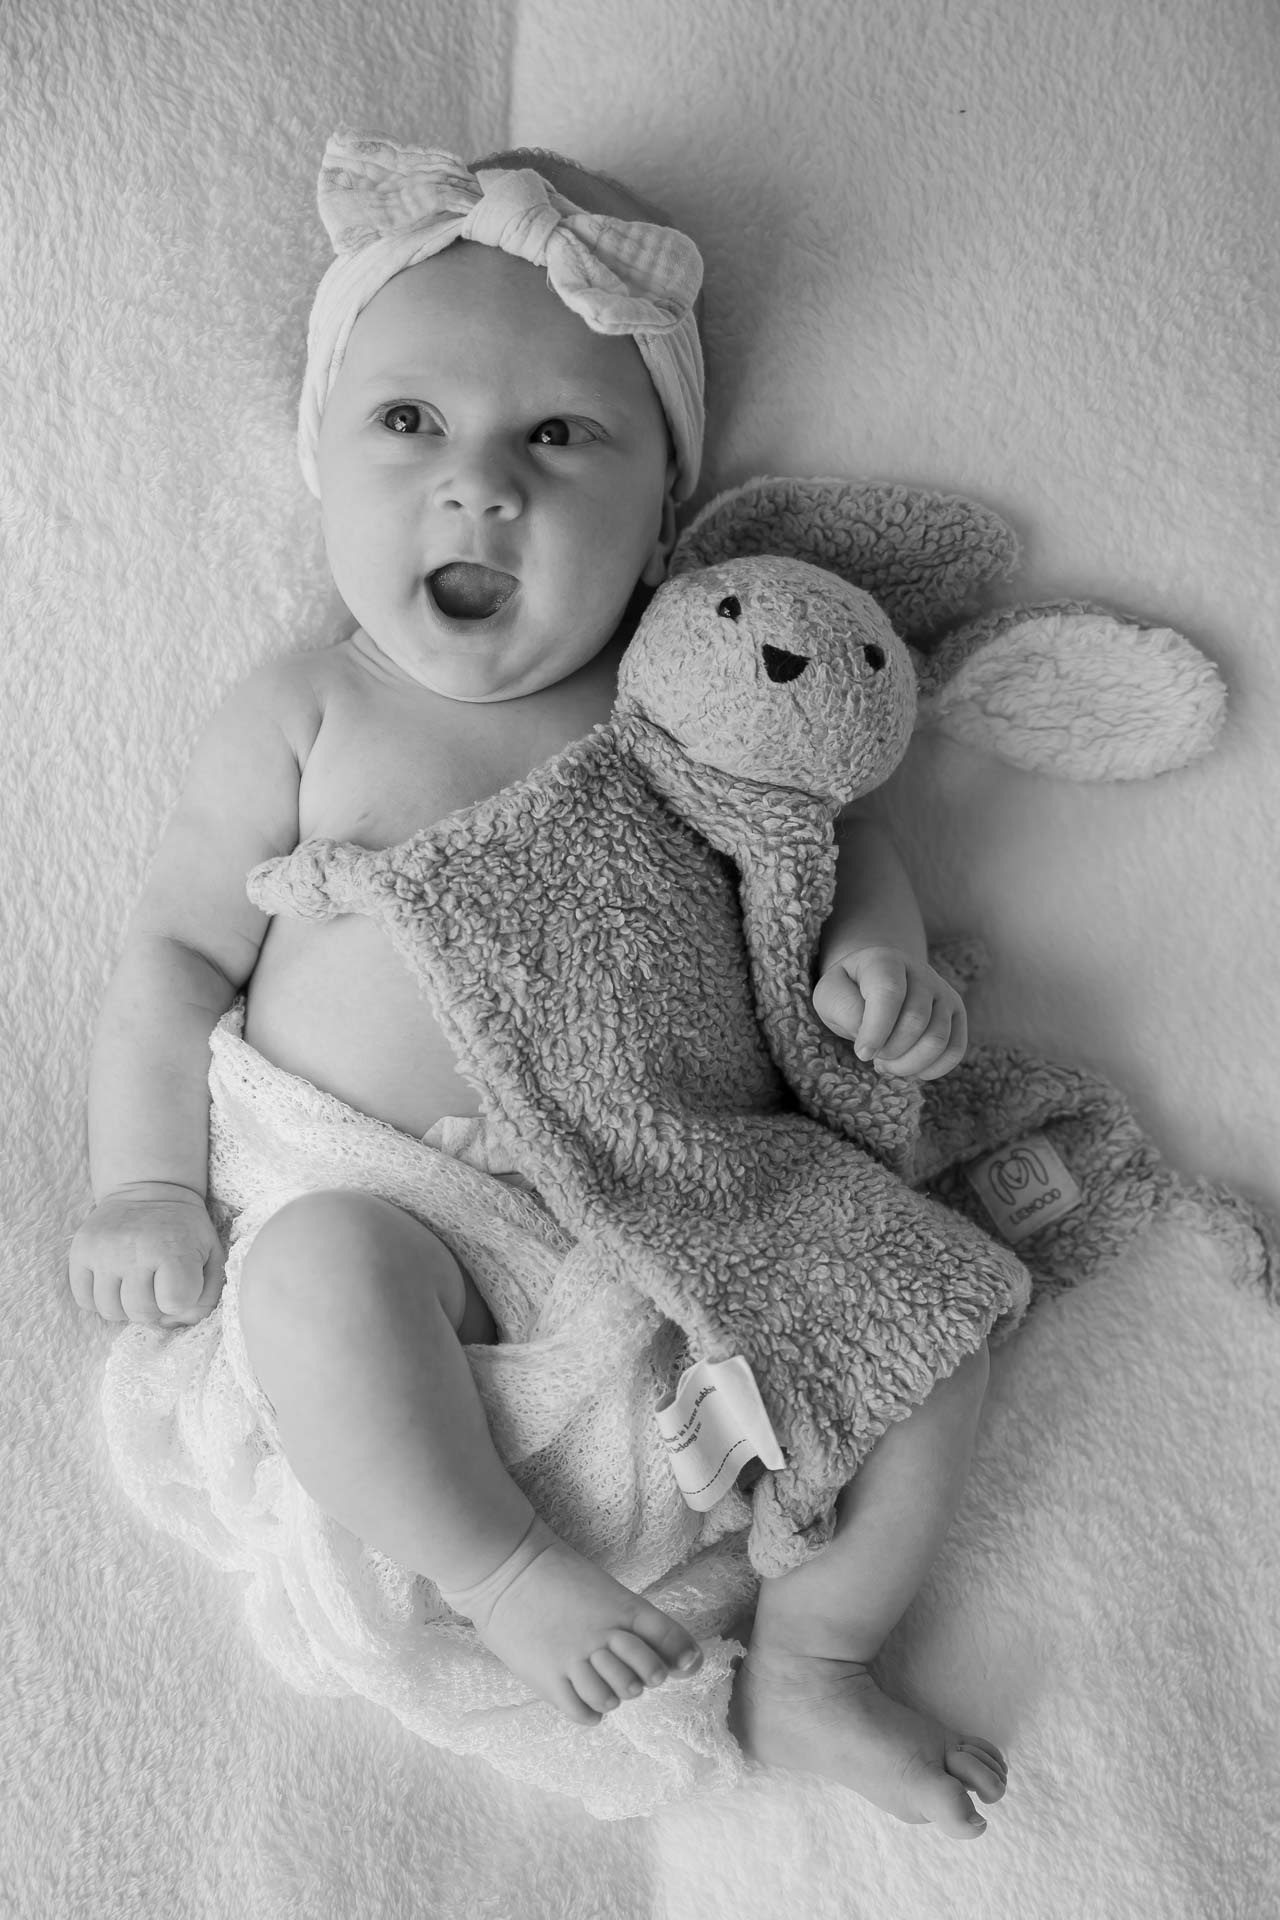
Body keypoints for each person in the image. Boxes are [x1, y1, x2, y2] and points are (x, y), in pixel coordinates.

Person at [69, 132, 1007, 1838]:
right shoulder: (306, 711)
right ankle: (503, 1570)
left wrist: (878, 951)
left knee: (937, 1307)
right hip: (405, 1225)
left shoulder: (677, 696)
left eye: (560, 436)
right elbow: (176, 958)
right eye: (407, 421)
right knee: (311, 1275)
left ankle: (816, 1657)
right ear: (322, 464)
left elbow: (815, 837)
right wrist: (142, 1183)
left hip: (677, 1222)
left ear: (664, 515)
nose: (480, 486)